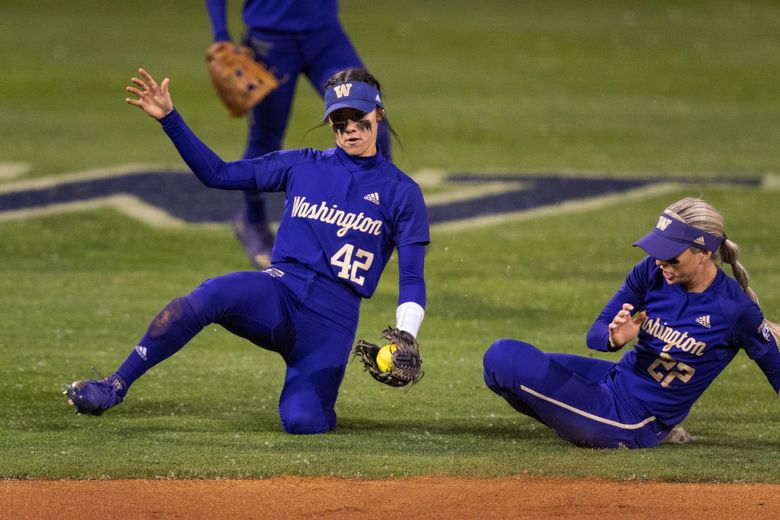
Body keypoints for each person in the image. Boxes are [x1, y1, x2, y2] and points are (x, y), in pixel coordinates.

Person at [64, 67, 427, 434]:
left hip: (331, 323)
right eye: (339, 119)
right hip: (278, 293)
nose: (350, 128)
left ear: (378, 113)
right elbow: (217, 174)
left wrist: (406, 334)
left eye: (359, 117)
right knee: (210, 295)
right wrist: (169, 119)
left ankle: (317, 403)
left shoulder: (402, 193)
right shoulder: (302, 165)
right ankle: (114, 385)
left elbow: (412, 276)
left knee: (303, 421)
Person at [483, 197, 780, 448]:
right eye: (658, 251)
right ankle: (578, 419)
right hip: (613, 379)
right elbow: (595, 335)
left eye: (671, 256)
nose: (661, 261)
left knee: (505, 358)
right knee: (501, 368)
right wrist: (614, 338)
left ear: (703, 253)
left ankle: (594, 426)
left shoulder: (736, 311)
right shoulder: (652, 270)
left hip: (632, 420)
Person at [205, 0, 391, 268]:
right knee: (266, 140)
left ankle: (373, 224)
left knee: (369, 120)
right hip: (270, 41)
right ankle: (252, 221)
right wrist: (221, 34)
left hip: (326, 36)